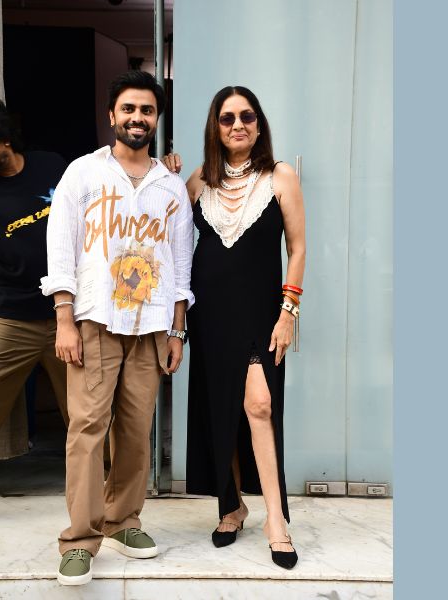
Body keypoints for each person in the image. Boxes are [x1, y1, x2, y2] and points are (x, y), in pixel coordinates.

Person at [41, 71, 194, 586]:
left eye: (146, 110)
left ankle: (124, 520)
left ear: (157, 118)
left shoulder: (171, 186)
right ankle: (79, 540)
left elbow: (180, 264)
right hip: (96, 319)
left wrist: (177, 331)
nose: (137, 117)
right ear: (112, 115)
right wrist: (64, 318)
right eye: (128, 108)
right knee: (87, 427)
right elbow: (61, 247)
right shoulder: (83, 173)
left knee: (135, 428)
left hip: (151, 323)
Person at [162, 86, 306, 569]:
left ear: (259, 125)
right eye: (227, 118)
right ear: (215, 127)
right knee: (219, 406)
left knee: (259, 405)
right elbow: (166, 231)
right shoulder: (200, 179)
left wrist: (288, 312)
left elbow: (298, 249)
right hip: (210, 313)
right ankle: (232, 507)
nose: (237, 124)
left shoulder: (281, 176)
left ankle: (276, 520)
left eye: (246, 116)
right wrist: (167, 176)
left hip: (261, 313)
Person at [0, 97, 70, 450]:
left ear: (3, 138)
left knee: (91, 412)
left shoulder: (51, 166)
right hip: (8, 316)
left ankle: (110, 479)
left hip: (67, 315)